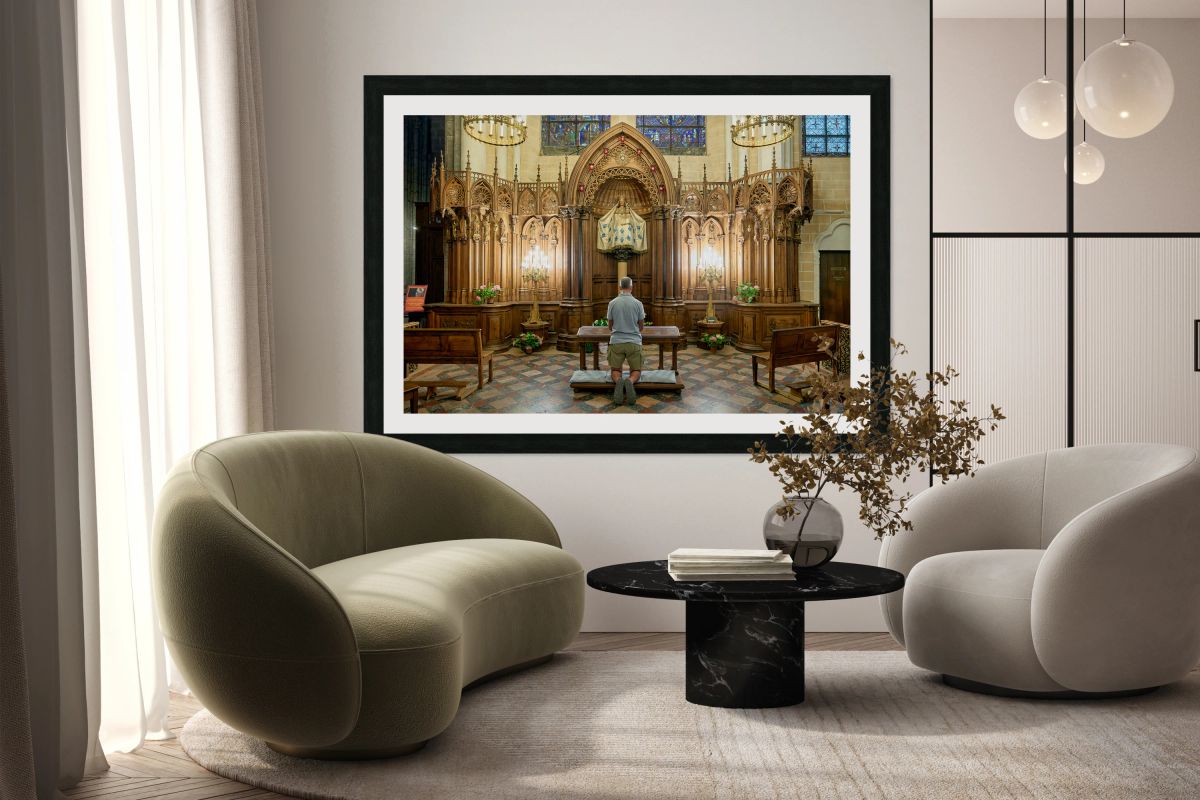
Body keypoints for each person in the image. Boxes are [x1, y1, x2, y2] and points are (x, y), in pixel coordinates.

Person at [606, 276, 645, 406]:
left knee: (615, 370)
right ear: (631, 287)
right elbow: (641, 327)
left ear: (619, 287)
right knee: (636, 370)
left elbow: (610, 326)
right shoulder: (638, 303)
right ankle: (630, 381)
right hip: (634, 342)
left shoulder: (612, 303)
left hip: (616, 342)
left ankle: (619, 381)